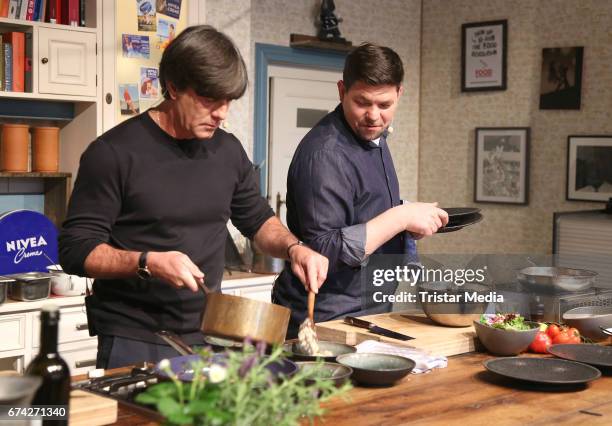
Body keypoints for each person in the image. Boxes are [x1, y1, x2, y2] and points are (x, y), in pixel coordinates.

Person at [59, 25, 328, 368]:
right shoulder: (112, 153)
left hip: (209, 332)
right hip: (134, 335)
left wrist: (294, 248)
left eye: (228, 101)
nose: (222, 113)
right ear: (173, 87)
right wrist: (147, 262)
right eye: (209, 100)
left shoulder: (227, 151)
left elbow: (258, 220)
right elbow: (75, 250)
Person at [272, 43, 449, 337]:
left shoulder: (375, 137)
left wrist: (410, 216)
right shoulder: (324, 154)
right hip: (326, 315)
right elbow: (323, 249)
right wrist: (400, 217)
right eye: (362, 102)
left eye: (384, 105)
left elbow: (361, 208)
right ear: (342, 91)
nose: (373, 116)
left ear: (399, 94)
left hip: (369, 307)